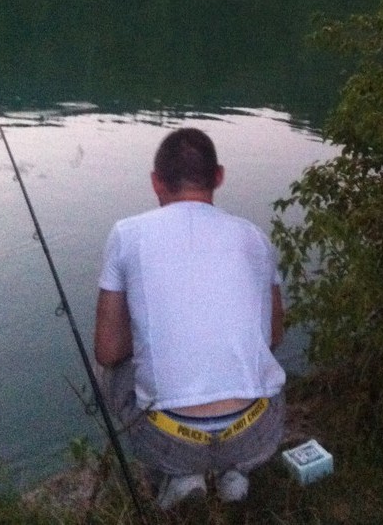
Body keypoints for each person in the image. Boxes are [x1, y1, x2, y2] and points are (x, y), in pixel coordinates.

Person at [94, 127, 286, 511]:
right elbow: (273, 337)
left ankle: (182, 477)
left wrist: (154, 333)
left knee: (113, 370)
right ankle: (235, 473)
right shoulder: (254, 238)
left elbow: (107, 349)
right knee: (261, 364)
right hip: (255, 435)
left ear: (155, 182)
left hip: (170, 441)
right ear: (218, 177)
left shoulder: (127, 234)